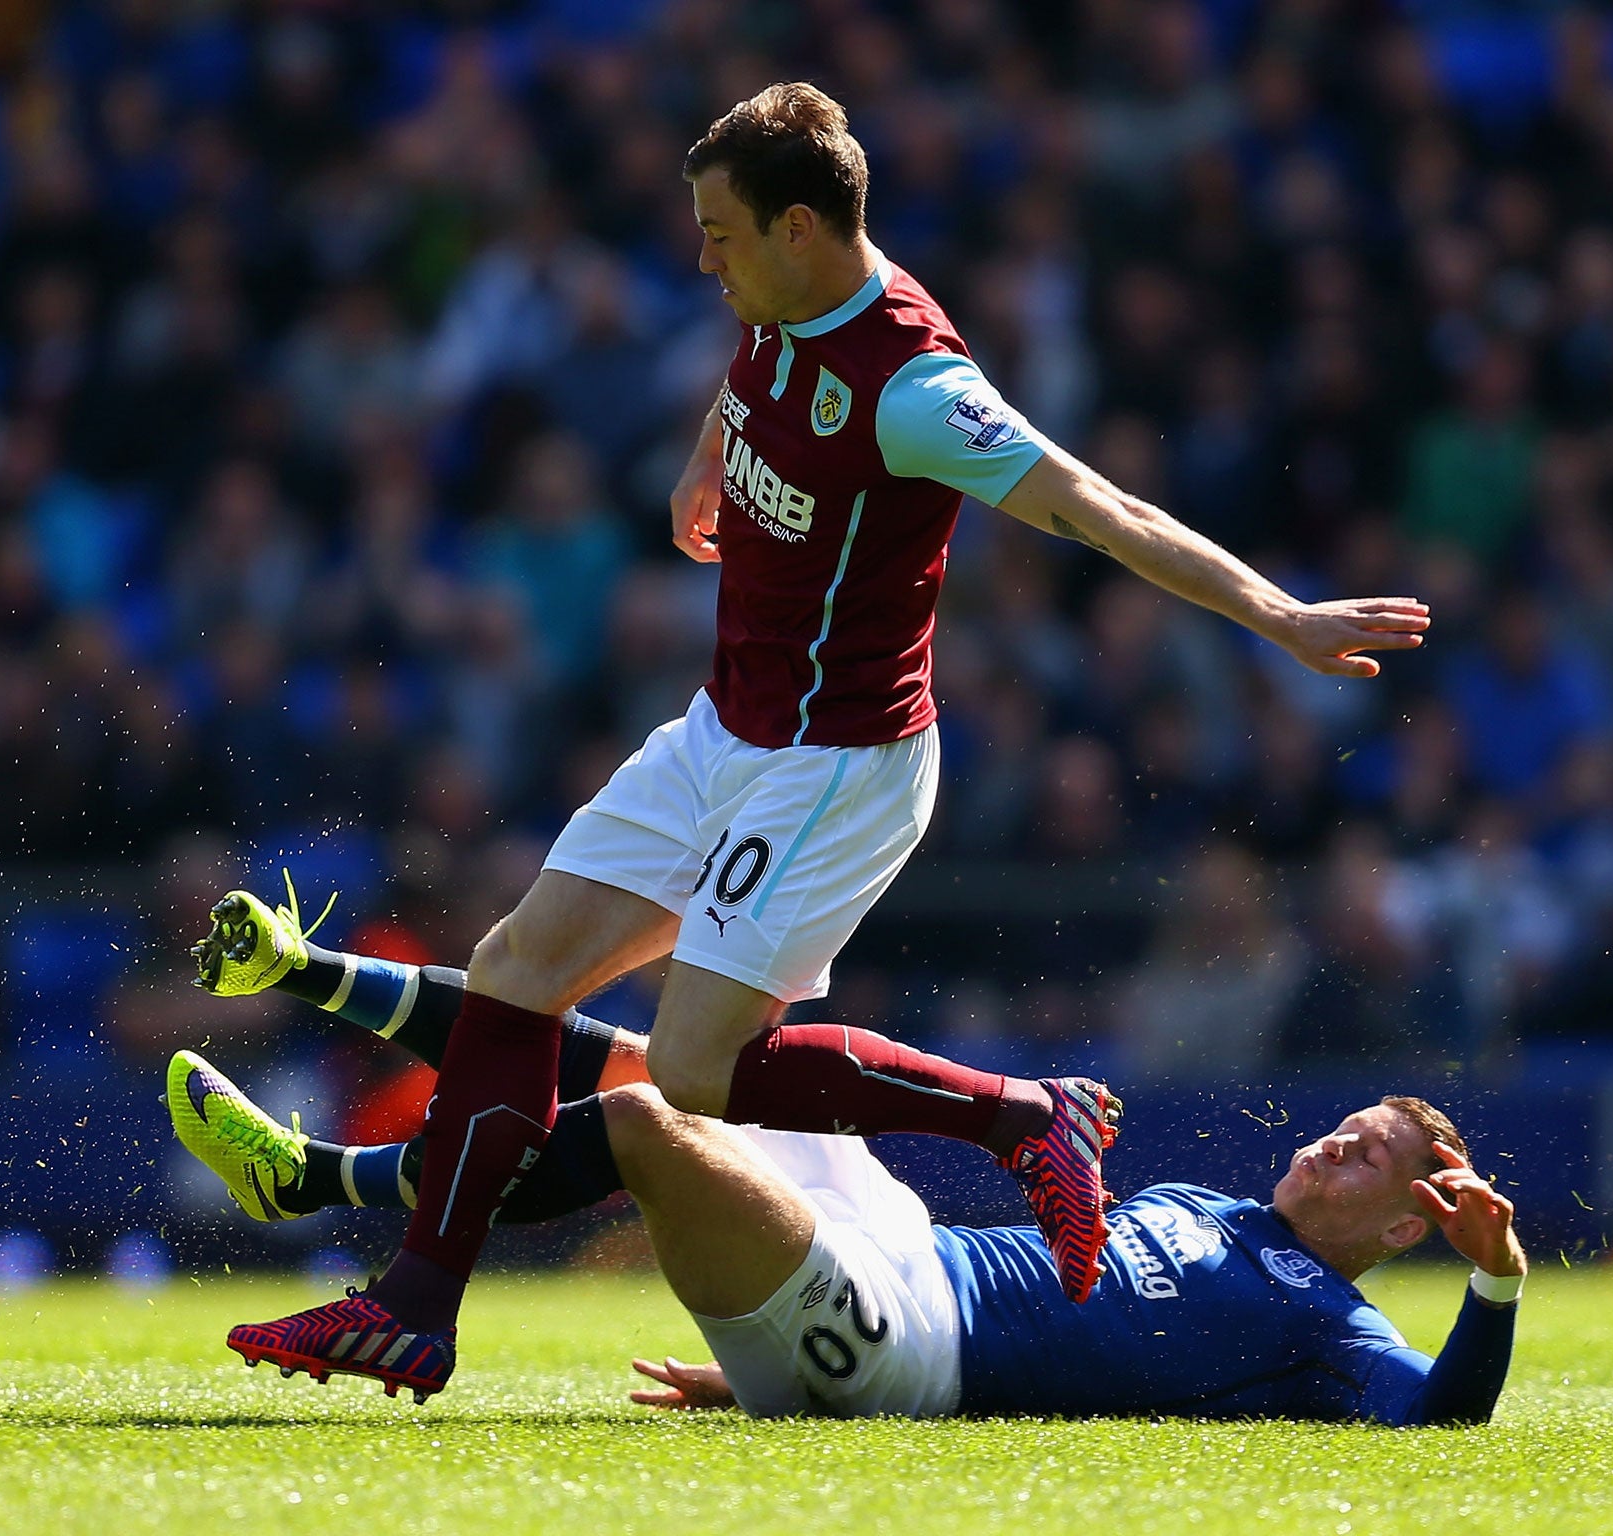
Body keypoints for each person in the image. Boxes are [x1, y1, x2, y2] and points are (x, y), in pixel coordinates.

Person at [191, 82, 1430, 1401]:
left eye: (721, 235)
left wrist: (1275, 609)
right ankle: (414, 1310)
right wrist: (704, 461)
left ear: (797, 228)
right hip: (726, 725)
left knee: (689, 1071)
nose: (704, 259)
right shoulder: (773, 312)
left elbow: (1092, 503)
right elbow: (750, 383)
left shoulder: (914, 384)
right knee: (515, 967)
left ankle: (1023, 1117)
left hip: (838, 766)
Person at [166, 957, 1523, 1423]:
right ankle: (316, 1070)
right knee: (680, 1063)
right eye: (1345, 1127)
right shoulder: (1212, 1208)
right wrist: (759, 1353)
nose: (1334, 1146)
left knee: (641, 1120)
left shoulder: (1335, 1333)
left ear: (1408, 1223)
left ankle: (330, 1185)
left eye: (1368, 1158)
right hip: (904, 1253)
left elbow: (1447, 1418)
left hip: (905, 1348)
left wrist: (1496, 1284)